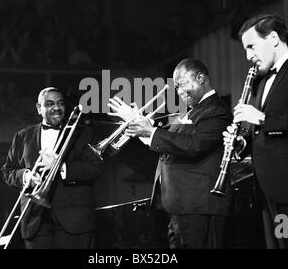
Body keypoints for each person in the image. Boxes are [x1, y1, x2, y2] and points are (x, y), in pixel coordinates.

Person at [108, 58, 233, 249]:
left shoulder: (216, 110)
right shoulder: (192, 112)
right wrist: (140, 125)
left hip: (199, 206)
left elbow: (194, 145)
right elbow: (168, 145)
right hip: (179, 206)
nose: (179, 92)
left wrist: (150, 131)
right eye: (176, 87)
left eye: (182, 85)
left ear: (200, 78)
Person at [1, 87, 102, 249]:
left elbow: (95, 169)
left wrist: (60, 167)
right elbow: (8, 172)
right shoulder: (22, 136)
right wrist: (26, 176)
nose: (56, 108)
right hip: (35, 220)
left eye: (60, 103)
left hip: (75, 221)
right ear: (39, 108)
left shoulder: (83, 133)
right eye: (49, 104)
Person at [223, 13, 288, 249]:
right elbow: (263, 133)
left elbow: (269, 122)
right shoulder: (261, 82)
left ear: (272, 38)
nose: (249, 56)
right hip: (266, 190)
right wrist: (241, 143)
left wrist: (260, 118)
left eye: (251, 47)